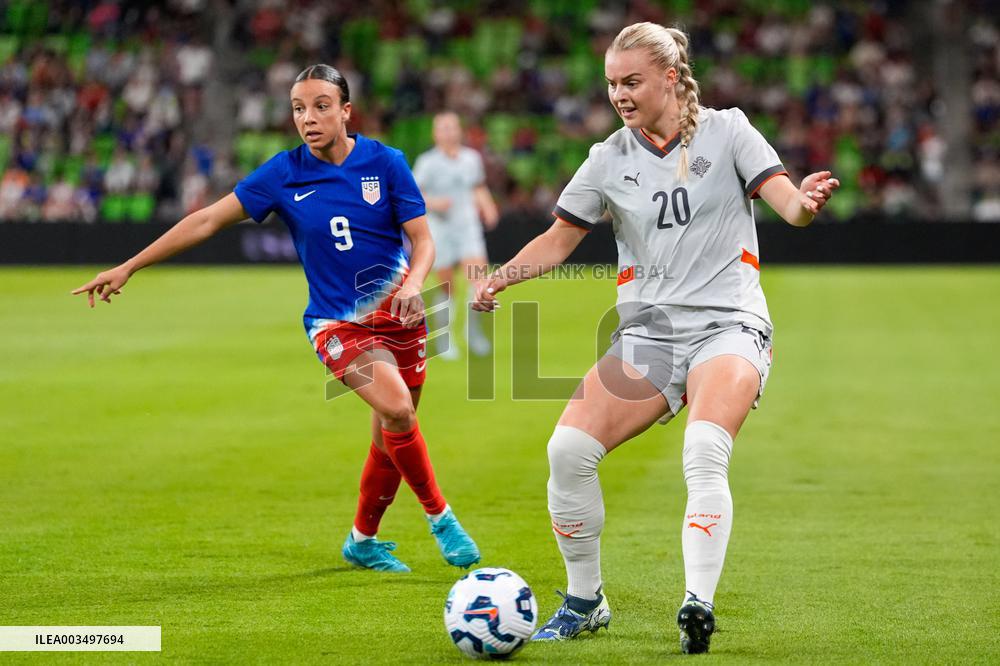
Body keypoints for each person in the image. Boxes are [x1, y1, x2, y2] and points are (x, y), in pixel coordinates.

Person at [473, 23, 839, 653]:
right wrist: (498, 279)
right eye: (612, 82)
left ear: (671, 76)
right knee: (567, 452)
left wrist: (806, 202)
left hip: (729, 325)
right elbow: (559, 240)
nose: (619, 93)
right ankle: (585, 599)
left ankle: (697, 604)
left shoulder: (729, 131)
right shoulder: (608, 159)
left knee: (703, 449)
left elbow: (787, 205)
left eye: (632, 80)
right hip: (650, 334)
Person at [73, 64, 480, 574]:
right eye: (298, 108)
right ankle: (441, 517)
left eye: (321, 106)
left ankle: (362, 540)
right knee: (398, 411)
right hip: (337, 324)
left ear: (346, 111)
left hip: (401, 316)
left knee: (390, 435)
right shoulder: (282, 174)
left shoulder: (386, 162)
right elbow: (205, 220)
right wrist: (131, 265)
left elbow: (422, 240)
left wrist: (417, 283)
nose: (308, 118)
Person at [412, 112, 500, 359]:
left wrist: (488, 206)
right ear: (435, 133)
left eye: (453, 127)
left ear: (459, 131)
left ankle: (474, 334)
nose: (449, 132)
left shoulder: (471, 159)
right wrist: (435, 202)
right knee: (447, 284)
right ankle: (444, 338)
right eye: (444, 128)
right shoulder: (427, 162)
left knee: (479, 280)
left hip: (467, 226)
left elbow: (477, 186)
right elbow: (413, 195)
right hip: (440, 228)